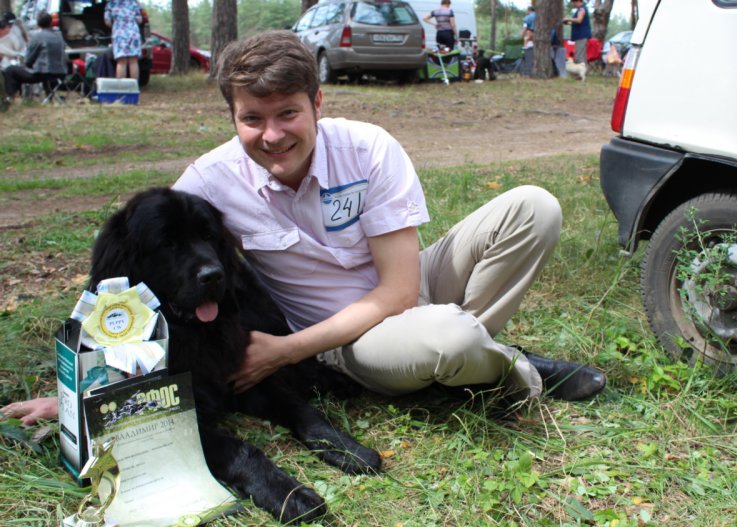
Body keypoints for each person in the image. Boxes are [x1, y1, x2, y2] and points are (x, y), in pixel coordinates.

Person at [2, 30, 606, 427]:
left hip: (405, 292)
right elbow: (132, 287)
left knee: (534, 206)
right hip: (347, 343)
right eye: (252, 118)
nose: (272, 135)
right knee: (446, 339)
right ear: (232, 116)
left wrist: (283, 353)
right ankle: (503, 364)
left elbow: (399, 293)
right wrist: (80, 396)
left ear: (318, 102)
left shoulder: (368, 148)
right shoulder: (207, 184)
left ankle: (480, 357)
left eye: (288, 112)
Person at [3, 12, 67, 101]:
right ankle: (49, 96)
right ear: (51, 22)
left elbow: (28, 60)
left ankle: (11, 98)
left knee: (11, 70)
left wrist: (28, 65)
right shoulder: (59, 36)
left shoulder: (37, 37)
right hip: (61, 72)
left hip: (43, 73)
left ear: (38, 23)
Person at [103, 0, 142, 80]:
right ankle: (134, 87)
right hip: (133, 33)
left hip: (119, 33)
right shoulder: (134, 3)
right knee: (133, 61)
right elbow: (139, 20)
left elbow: (107, 22)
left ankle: (121, 88)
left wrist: (116, 24)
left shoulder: (111, 4)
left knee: (121, 61)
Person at [563, 0, 591, 71]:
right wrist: (568, 23)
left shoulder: (582, 9)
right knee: (581, 55)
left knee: (579, 56)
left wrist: (568, 18)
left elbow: (579, 20)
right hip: (579, 36)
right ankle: (583, 72)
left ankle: (580, 73)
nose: (573, 4)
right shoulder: (579, 10)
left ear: (578, 1)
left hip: (581, 35)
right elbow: (577, 22)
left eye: (574, 2)